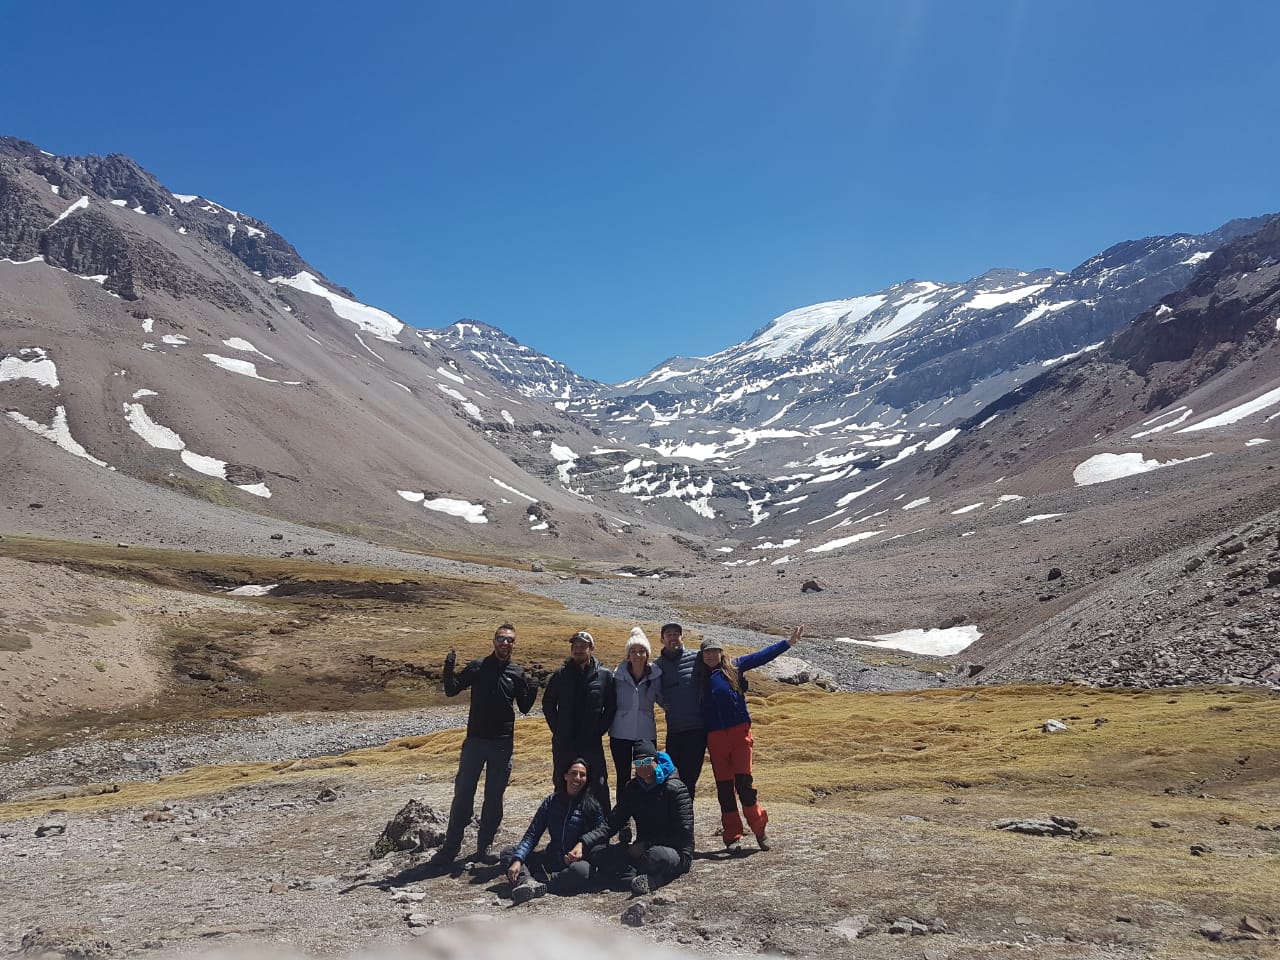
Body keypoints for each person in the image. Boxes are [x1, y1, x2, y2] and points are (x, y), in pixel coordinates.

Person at [432, 623, 538, 866]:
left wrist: (532, 687)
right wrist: (449, 668)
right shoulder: (478, 667)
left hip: (502, 744)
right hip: (475, 742)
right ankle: (451, 847)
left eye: (510, 640)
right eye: (501, 638)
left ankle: (484, 846)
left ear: (514, 644)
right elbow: (451, 690)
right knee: (463, 794)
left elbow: (524, 707)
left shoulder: (516, 672)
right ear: (494, 641)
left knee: (494, 796)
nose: (505, 643)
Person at [695, 625, 804, 851]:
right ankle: (732, 836)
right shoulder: (697, 676)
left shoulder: (734, 667)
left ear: (721, 653)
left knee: (744, 785)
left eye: (714, 651)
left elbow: (760, 657)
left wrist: (787, 643)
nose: (711, 655)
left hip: (739, 735)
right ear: (702, 655)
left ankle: (759, 830)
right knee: (725, 790)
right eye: (707, 652)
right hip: (715, 739)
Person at [580, 739, 694, 896]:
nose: (643, 767)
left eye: (647, 761)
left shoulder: (675, 788)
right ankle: (639, 877)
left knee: (657, 856)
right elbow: (613, 822)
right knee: (597, 852)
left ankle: (646, 878)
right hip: (641, 851)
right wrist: (584, 842)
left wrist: (647, 845)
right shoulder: (633, 788)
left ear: (656, 761)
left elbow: (684, 833)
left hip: (675, 852)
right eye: (638, 763)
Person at [503, 758, 607, 904]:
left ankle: (539, 882)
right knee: (509, 853)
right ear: (565, 775)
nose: (577, 778)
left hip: (577, 862)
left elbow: (601, 834)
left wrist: (582, 848)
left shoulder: (593, 806)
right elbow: (532, 835)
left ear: (587, 779)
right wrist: (518, 859)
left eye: (582, 775)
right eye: (573, 773)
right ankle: (528, 883)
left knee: (581, 872)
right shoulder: (551, 801)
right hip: (552, 858)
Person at [542, 630, 616, 813]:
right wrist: (558, 730)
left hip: (591, 742)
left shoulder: (605, 676)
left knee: (598, 783)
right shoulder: (560, 675)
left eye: (583, 646)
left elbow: (611, 706)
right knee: (563, 783)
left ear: (591, 649)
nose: (579, 649)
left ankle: (602, 828)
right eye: (575, 646)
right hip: (564, 742)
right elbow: (548, 704)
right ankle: (562, 826)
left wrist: (599, 730)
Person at [608, 627, 662, 841]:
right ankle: (624, 823)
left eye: (642, 651)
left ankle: (646, 822)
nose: (638, 655)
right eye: (634, 651)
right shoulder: (616, 675)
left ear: (647, 654)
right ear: (627, 654)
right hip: (620, 735)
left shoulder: (656, 676)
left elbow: (665, 699)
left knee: (646, 775)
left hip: (645, 736)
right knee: (623, 778)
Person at [656, 622, 708, 798]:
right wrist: (663, 703)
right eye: (668, 634)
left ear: (681, 637)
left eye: (676, 633)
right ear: (662, 639)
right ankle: (674, 817)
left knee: (690, 776)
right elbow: (652, 689)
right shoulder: (657, 665)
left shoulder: (697, 657)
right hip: (675, 729)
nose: (673, 637)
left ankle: (686, 819)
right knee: (673, 776)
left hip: (697, 728)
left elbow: (716, 670)